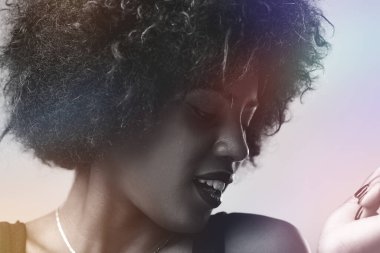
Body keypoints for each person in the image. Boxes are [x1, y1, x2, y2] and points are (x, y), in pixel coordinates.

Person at [0, 0, 330, 252]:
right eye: (203, 111)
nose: (238, 146)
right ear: (114, 102)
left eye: (247, 119)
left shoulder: (257, 247)